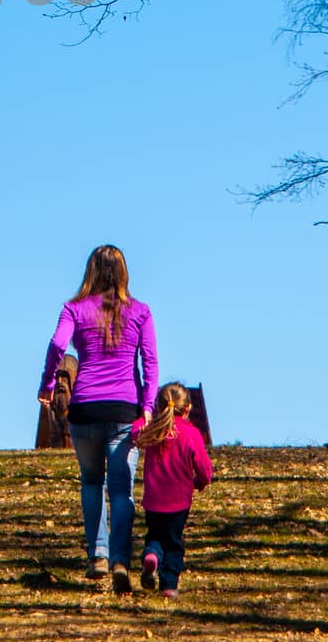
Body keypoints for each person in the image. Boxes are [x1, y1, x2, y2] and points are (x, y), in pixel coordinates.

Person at [38, 244, 158, 594]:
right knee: (121, 490)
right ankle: (121, 557)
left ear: (90, 271)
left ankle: (98, 555)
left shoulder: (73, 309)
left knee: (92, 482)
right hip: (124, 410)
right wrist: (147, 406)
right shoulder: (140, 312)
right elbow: (150, 363)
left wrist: (48, 382)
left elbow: (57, 345)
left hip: (85, 408)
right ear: (123, 273)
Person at [131, 381, 213, 599]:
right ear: (187, 409)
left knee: (155, 537)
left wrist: (144, 418)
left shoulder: (154, 430)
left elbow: (134, 432)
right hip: (179, 502)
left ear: (159, 406)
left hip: (154, 500)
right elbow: (204, 468)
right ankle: (168, 585)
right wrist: (200, 482)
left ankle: (151, 556)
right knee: (174, 544)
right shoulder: (191, 434)